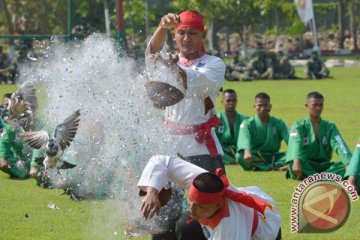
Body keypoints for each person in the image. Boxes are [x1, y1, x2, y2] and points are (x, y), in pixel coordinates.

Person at [145, 10, 226, 240]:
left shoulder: (214, 64)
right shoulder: (169, 60)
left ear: (203, 36)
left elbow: (194, 83)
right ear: (175, 36)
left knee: (202, 219)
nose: (186, 38)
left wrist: (173, 68)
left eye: (192, 33)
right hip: (169, 149)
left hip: (202, 152)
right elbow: (151, 56)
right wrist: (162, 28)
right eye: (181, 33)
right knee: (162, 220)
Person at [138, 155, 282, 240]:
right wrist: (152, 192)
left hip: (262, 232)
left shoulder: (229, 228)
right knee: (185, 226)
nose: (192, 209)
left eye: (200, 206)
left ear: (218, 204)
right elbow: (161, 160)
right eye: (191, 201)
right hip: (231, 213)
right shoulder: (199, 179)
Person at [286, 92, 352, 180]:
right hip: (306, 165)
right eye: (314, 105)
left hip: (325, 167)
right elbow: (295, 143)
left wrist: (348, 164)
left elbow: (339, 144)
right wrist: (296, 161)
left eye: (321, 105)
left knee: (353, 163)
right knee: (292, 163)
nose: (318, 108)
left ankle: (316, 178)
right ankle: (326, 178)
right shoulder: (298, 125)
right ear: (307, 106)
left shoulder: (330, 126)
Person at [236, 93, 289, 171]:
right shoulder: (247, 124)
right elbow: (244, 139)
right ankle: (273, 168)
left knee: (297, 155)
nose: (262, 108)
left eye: (265, 105)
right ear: (254, 106)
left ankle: (263, 167)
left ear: (270, 107)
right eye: (259, 105)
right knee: (239, 155)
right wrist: (247, 151)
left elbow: (291, 141)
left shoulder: (279, 123)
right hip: (255, 157)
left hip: (275, 157)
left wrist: (296, 154)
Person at [215, 89, 247, 164]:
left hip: (239, 150)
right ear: (222, 102)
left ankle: (238, 160)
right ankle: (233, 161)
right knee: (214, 153)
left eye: (234, 100)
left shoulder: (245, 120)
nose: (231, 103)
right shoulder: (216, 119)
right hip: (223, 151)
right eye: (228, 100)